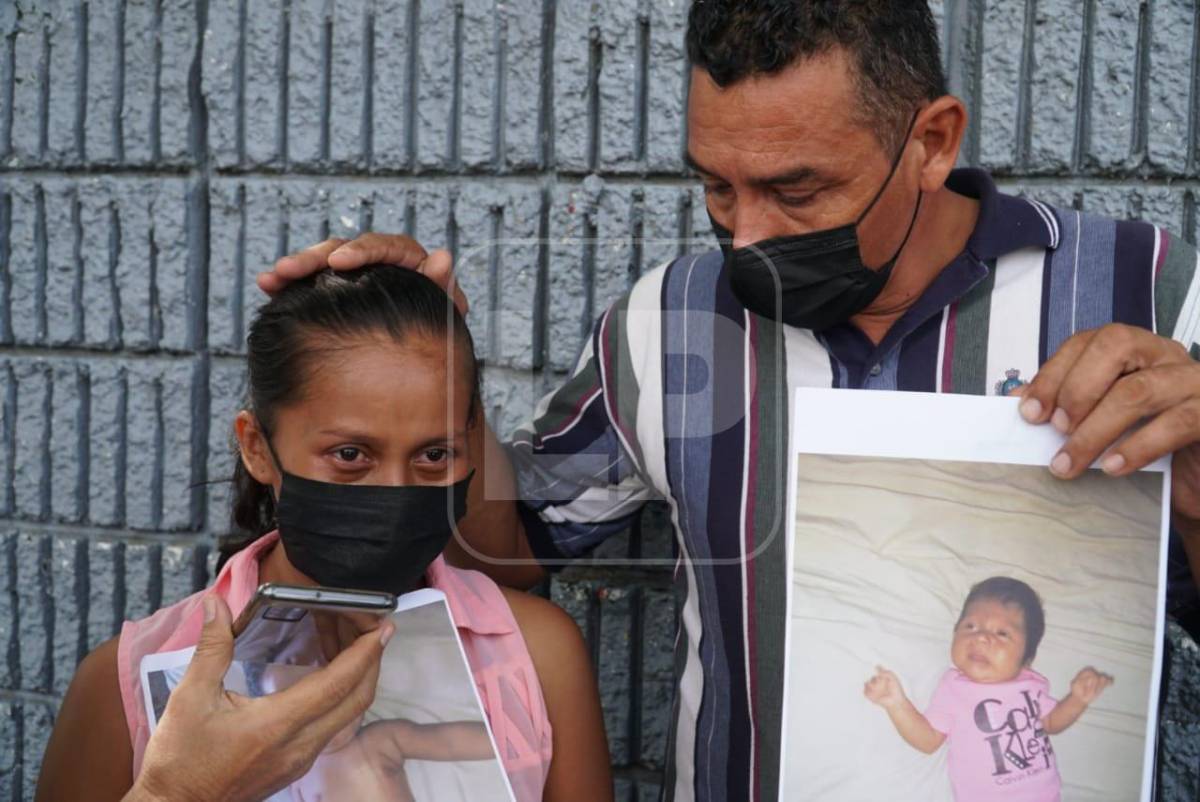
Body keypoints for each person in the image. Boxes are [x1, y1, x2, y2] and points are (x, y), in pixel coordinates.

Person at [265, 3, 1200, 798]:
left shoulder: (1150, 295)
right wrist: (429, 365)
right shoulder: (667, 320)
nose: (747, 235)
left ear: (932, 141)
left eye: (797, 189)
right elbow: (509, 554)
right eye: (717, 186)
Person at [36, 266, 612, 802]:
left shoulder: (537, 650)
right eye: (350, 454)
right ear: (258, 447)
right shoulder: (127, 679)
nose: (394, 489)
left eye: (435, 454)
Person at [864, 577, 1113, 801]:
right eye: (970, 626)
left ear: (1027, 658)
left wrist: (1077, 701)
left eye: (1002, 634)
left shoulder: (1032, 683)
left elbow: (1052, 723)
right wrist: (896, 704)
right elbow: (928, 740)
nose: (981, 638)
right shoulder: (954, 688)